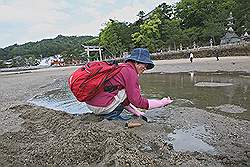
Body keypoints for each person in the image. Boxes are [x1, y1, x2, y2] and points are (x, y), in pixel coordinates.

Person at [85, 48, 173, 120]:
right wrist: (162, 102)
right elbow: (137, 102)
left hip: (92, 104)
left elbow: (125, 100)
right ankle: (110, 116)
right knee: (134, 89)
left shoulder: (122, 68)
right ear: (136, 62)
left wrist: (137, 112)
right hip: (100, 107)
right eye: (144, 65)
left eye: (147, 66)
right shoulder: (130, 72)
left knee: (127, 91)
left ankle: (106, 113)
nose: (145, 68)